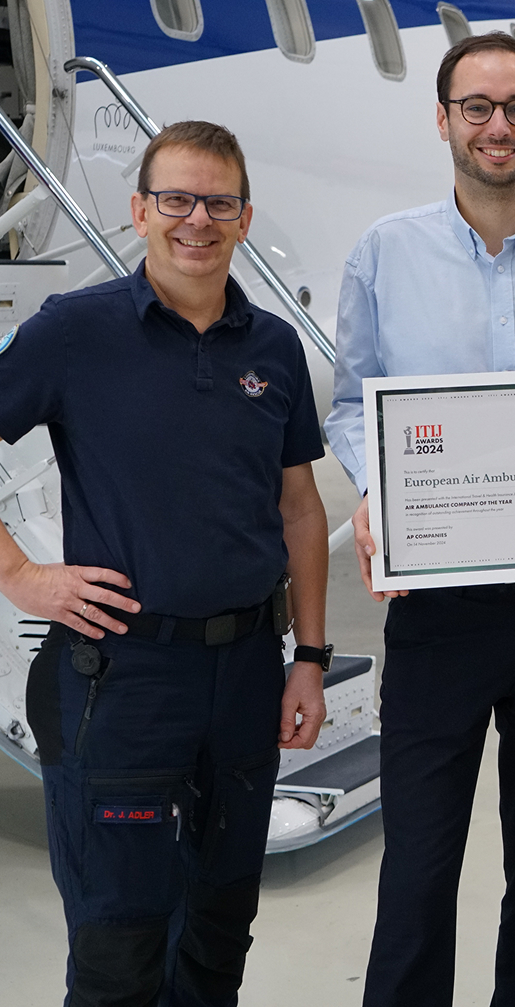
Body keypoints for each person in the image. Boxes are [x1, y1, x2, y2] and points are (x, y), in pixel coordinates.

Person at [326, 31, 515, 1007]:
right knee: (418, 870)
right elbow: (349, 402)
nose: (496, 126)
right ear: (443, 119)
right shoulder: (385, 251)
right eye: (476, 106)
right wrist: (380, 492)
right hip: (438, 606)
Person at [0, 120, 329, 1006]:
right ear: (140, 211)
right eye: (176, 199)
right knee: (120, 944)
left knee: (220, 931)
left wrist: (309, 659)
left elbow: (299, 506)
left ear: (245, 218)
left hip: (248, 673)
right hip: (124, 677)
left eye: (218, 202)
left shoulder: (272, 348)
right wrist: (25, 578)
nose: (197, 220)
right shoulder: (75, 333)